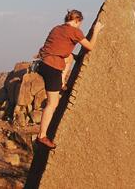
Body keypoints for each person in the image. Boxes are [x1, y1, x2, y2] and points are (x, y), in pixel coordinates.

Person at [35, 9, 104, 149]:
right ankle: (41, 136)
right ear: (77, 20)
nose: (80, 27)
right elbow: (90, 46)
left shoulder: (57, 28)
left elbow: (57, 48)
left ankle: (62, 83)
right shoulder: (75, 31)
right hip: (52, 68)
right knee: (52, 104)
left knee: (70, 56)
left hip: (42, 64)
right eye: (80, 24)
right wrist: (96, 31)